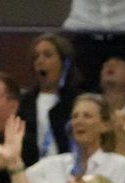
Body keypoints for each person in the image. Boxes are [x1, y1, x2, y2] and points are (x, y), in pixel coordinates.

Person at [26, 94, 125, 183]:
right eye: (74, 116)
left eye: (87, 116)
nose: (78, 121)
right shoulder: (51, 164)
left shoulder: (118, 165)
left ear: (105, 126)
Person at [21, 33, 84, 163]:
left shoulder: (78, 100)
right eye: (35, 57)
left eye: (47, 55)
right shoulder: (25, 102)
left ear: (64, 62)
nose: (40, 61)